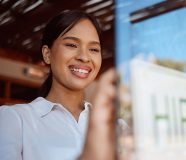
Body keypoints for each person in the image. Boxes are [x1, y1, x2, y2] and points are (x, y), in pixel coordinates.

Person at [0, 10, 116, 160]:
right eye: (72, 45)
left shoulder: (115, 123)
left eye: (93, 49)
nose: (84, 57)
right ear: (47, 54)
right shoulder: (14, 120)